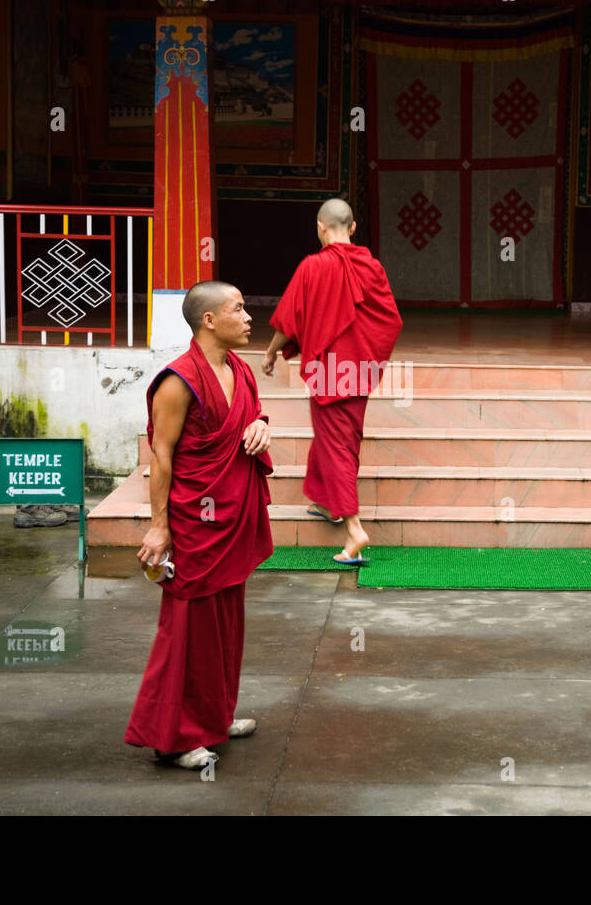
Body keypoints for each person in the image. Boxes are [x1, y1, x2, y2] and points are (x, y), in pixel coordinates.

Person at [125, 281, 274, 771]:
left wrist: (261, 426)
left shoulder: (239, 370)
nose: (249, 316)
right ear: (209, 320)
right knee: (186, 629)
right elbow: (161, 455)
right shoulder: (178, 379)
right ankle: (175, 736)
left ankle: (215, 715)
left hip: (230, 516)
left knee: (226, 621)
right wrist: (158, 527)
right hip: (195, 519)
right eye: (238, 308)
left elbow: (250, 418)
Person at [263, 198, 403, 565]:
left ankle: (354, 529)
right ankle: (325, 499)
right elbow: (391, 320)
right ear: (353, 228)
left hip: (330, 372)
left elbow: (287, 320)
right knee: (339, 438)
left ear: (320, 228)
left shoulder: (313, 266)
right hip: (358, 370)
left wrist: (269, 352)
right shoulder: (372, 266)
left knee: (336, 444)